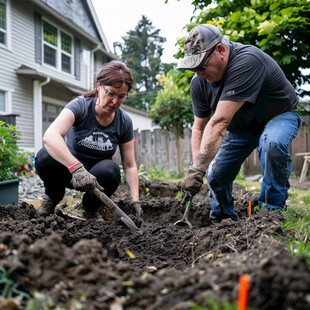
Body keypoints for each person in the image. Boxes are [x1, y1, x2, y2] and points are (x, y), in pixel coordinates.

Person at [178, 24, 301, 223]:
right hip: (241, 129)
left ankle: (272, 212)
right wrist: (196, 169)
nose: (198, 73)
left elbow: (219, 121)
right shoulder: (198, 83)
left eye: (201, 65)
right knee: (216, 173)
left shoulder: (247, 61)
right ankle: (223, 218)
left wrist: (197, 168)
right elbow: (199, 127)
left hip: (278, 116)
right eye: (193, 68)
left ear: (220, 50)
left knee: (272, 144)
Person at [35, 60, 142, 218]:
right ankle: (53, 197)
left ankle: (89, 208)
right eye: (111, 93)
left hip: (96, 179)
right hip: (69, 170)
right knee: (45, 156)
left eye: (121, 97)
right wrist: (76, 168)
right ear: (99, 86)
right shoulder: (80, 106)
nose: (115, 101)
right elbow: (50, 136)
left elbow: (129, 165)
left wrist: (135, 201)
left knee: (112, 170)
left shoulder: (124, 121)